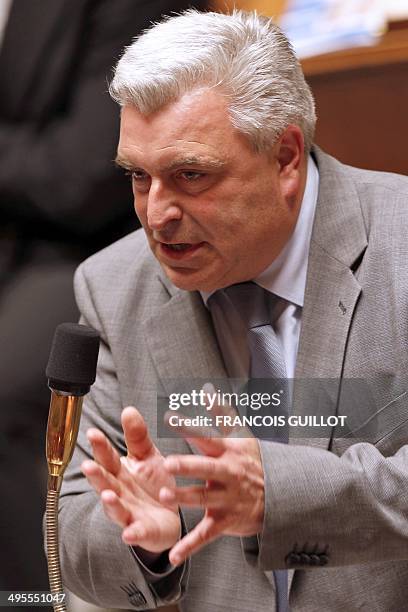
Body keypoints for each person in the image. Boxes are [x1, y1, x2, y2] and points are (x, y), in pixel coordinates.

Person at [57, 10, 408, 612]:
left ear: (286, 159)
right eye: (139, 177)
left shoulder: (400, 245)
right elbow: (70, 526)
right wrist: (146, 543)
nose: (157, 214)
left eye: (190, 175)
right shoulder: (113, 286)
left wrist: (283, 494)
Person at [0, 0, 205, 597]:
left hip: (109, 243)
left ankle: (39, 598)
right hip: (23, 236)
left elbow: (83, 177)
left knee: (4, 393)